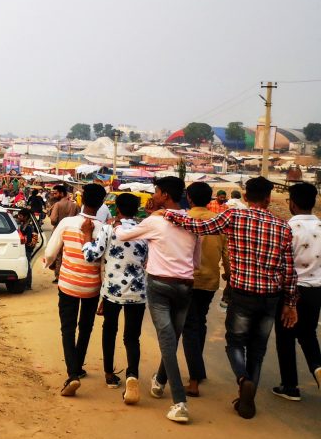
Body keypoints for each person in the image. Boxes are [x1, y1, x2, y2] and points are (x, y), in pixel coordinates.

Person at [162, 176, 297, 419]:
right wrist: (290, 303)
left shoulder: (234, 216)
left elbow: (200, 227)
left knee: (235, 343)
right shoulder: (283, 226)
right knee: (258, 348)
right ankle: (247, 398)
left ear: (245, 197)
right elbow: (288, 269)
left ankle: (242, 378)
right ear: (268, 199)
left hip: (243, 292)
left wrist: (170, 215)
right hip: (271, 297)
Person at [115, 176, 199, 424]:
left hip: (160, 284)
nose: (155, 195)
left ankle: (180, 402)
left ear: (164, 195)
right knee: (172, 336)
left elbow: (124, 235)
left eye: (157, 192)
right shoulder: (191, 221)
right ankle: (160, 381)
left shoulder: (156, 221)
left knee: (167, 340)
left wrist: (119, 223)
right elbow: (197, 261)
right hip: (185, 284)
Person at [81, 192, 148, 403]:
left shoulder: (110, 229)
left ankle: (110, 375)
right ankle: (132, 375)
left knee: (109, 330)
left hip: (112, 291)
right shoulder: (145, 230)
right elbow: (146, 258)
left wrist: (86, 236)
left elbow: (92, 255)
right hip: (137, 293)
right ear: (137, 209)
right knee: (132, 337)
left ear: (117, 208)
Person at [43, 183, 106, 396]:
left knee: (67, 329)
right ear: (102, 203)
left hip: (68, 283)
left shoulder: (68, 224)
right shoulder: (105, 229)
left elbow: (51, 251)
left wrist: (48, 262)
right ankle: (78, 366)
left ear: (82, 200)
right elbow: (105, 263)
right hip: (92, 286)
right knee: (85, 327)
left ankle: (72, 374)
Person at [271, 182, 321, 401]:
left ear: (292, 203)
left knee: (285, 337)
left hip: (290, 291)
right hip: (316, 291)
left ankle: (290, 386)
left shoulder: (286, 228)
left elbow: (280, 263)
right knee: (308, 335)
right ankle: (318, 367)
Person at [181, 182, 230, 398]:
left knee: (189, 326)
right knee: (199, 322)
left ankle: (194, 378)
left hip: (187, 279)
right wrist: (228, 275)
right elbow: (227, 253)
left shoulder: (183, 219)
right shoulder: (218, 221)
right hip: (210, 280)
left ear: (189, 198)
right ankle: (197, 369)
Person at [47, 184, 80, 282]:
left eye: (56, 193)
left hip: (58, 232)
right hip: (71, 233)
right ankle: (68, 275)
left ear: (62, 193)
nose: (54, 195)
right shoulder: (74, 205)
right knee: (69, 254)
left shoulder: (57, 205)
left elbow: (53, 220)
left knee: (58, 255)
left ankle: (58, 276)